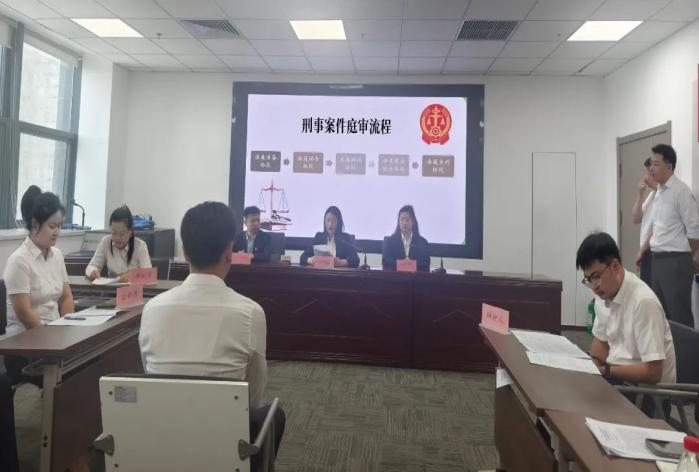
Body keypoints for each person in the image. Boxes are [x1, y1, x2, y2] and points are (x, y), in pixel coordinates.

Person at [138, 201, 284, 470]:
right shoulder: (250, 313)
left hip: (161, 442)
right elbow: (253, 396)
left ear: (184, 252)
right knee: (274, 416)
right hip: (224, 445)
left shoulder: (152, 309)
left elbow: (150, 373)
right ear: (229, 252)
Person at [576, 232, 675, 387]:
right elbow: (601, 343)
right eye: (588, 279)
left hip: (645, 392)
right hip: (618, 379)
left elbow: (653, 372)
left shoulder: (643, 302)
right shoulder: (603, 296)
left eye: (596, 276)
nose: (594, 286)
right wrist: (591, 367)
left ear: (615, 267)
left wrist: (605, 371)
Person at [2, 186, 74, 383]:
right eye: (52, 226)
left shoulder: (57, 255)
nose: (57, 232)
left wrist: (68, 327)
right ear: (35, 224)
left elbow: (66, 297)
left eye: (59, 226)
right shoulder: (19, 260)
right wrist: (50, 342)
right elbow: (24, 313)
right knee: (71, 376)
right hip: (25, 345)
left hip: (55, 338)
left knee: (88, 364)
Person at [647, 144, 699, 327]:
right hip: (657, 259)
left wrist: (688, 256)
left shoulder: (681, 191)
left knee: (679, 315)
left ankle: (686, 348)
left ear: (669, 167)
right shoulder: (659, 192)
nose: (651, 168)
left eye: (656, 164)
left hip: (675, 261)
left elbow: (694, 230)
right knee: (660, 314)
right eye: (651, 163)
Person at [86, 205, 151, 282]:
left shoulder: (140, 246)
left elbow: (149, 274)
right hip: (111, 288)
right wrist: (93, 271)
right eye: (114, 233)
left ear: (130, 232)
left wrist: (132, 276)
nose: (117, 238)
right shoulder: (105, 242)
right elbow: (91, 266)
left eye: (122, 234)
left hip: (132, 288)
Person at [631, 157, 657, 286]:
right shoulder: (652, 195)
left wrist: (641, 251)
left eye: (647, 173)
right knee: (647, 289)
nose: (645, 178)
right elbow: (636, 218)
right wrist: (640, 195)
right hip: (646, 251)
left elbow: (656, 228)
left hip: (653, 251)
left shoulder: (664, 197)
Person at [382, 205, 430, 271]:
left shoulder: (422, 242)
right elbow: (386, 262)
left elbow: (425, 263)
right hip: (395, 276)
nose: (404, 223)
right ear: (398, 222)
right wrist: (403, 264)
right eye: (402, 220)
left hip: (415, 277)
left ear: (413, 221)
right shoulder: (390, 241)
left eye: (407, 220)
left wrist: (410, 264)